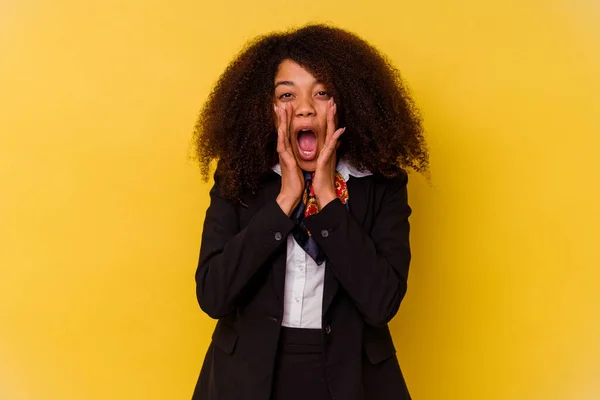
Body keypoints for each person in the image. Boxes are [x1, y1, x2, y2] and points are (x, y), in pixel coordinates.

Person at [191, 24, 428, 400]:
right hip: (246, 378)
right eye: (287, 94)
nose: (304, 107)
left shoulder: (382, 183)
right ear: (264, 108)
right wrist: (285, 200)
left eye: (321, 93)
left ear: (347, 101)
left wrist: (325, 197)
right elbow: (213, 295)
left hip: (351, 378)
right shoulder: (237, 178)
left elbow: (381, 303)